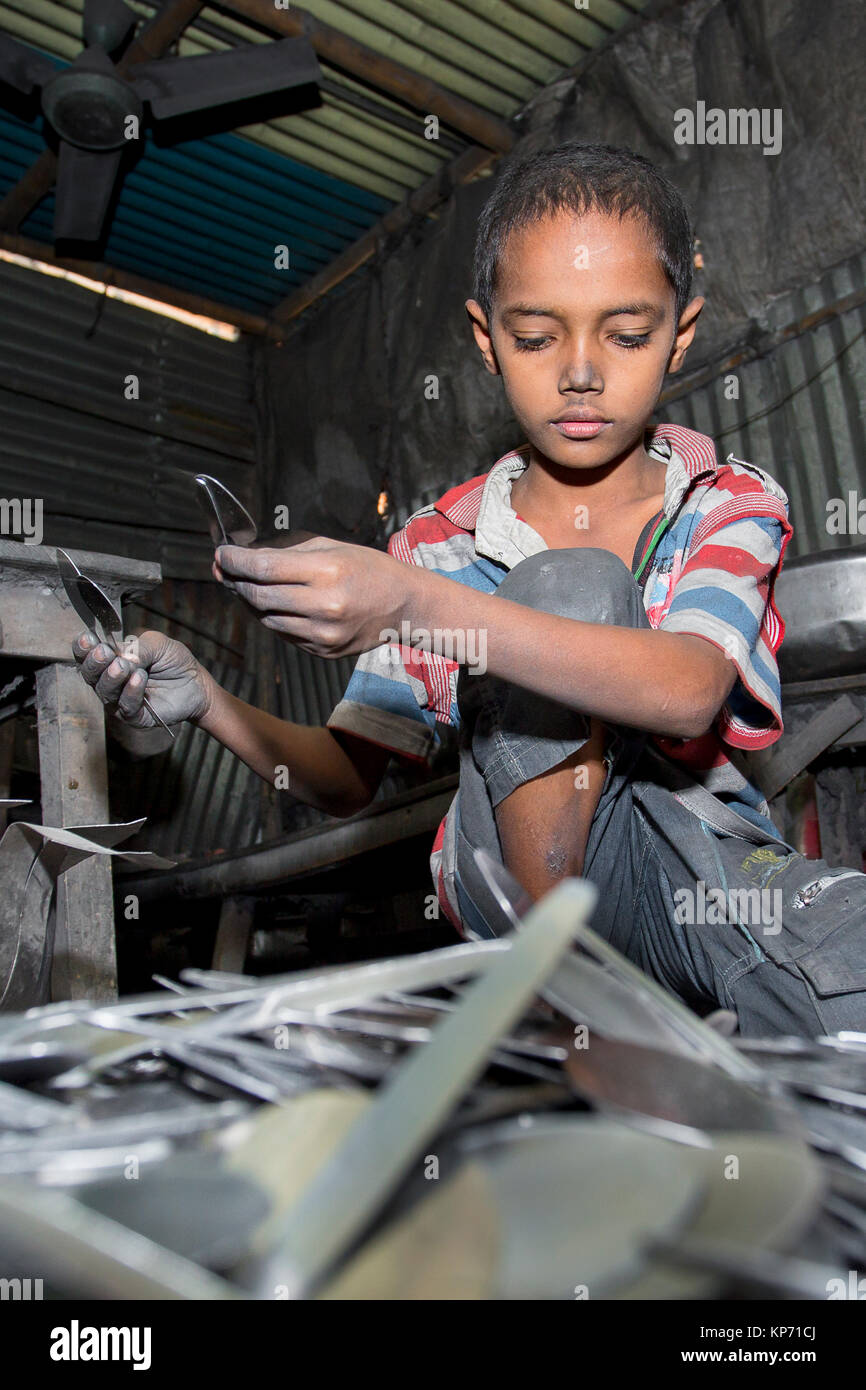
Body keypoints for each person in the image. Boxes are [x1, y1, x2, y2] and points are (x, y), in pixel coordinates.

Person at [73, 142, 866, 1038]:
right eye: (535, 336)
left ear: (681, 334)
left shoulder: (726, 501)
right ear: (487, 340)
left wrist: (414, 606)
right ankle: (569, 1014)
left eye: (628, 334)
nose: (580, 371)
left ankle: (675, 1056)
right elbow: (342, 780)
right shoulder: (434, 550)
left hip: (701, 866)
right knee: (567, 585)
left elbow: (687, 690)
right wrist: (208, 700)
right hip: (517, 892)